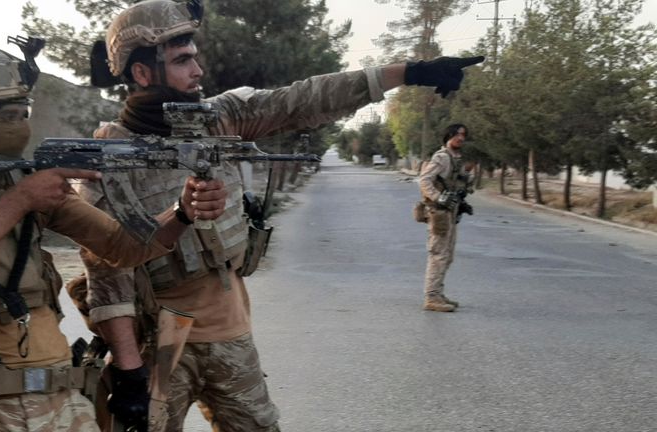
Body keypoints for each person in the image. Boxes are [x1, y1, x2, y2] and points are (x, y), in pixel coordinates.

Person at [71, 1, 485, 430]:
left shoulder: (221, 118)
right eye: (181, 61)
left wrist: (409, 73)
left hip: (231, 338)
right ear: (142, 74)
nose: (197, 71)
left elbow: (303, 99)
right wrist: (129, 372)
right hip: (156, 344)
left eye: (195, 56)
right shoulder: (110, 160)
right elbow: (106, 276)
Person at [0, 38, 227, 432]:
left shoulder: (27, 180)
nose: (18, 122)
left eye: (22, 110)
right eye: (2, 112)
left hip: (62, 394)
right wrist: (21, 199)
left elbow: (122, 246)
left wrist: (182, 212)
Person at [418, 124, 474, 312]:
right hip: (439, 212)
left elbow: (459, 183)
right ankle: (431, 297)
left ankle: (438, 293)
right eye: (457, 134)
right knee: (438, 254)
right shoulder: (442, 157)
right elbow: (424, 179)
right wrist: (437, 197)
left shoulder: (457, 159)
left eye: (464, 135)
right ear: (448, 136)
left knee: (447, 256)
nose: (461, 138)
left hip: (451, 211)